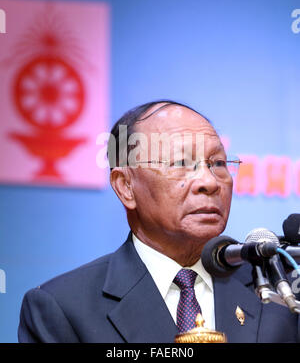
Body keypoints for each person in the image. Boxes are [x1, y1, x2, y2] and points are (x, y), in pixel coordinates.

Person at [18, 100, 300, 342]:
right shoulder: (64, 308)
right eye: (180, 164)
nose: (209, 182)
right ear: (125, 186)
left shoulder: (280, 285)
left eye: (218, 163)